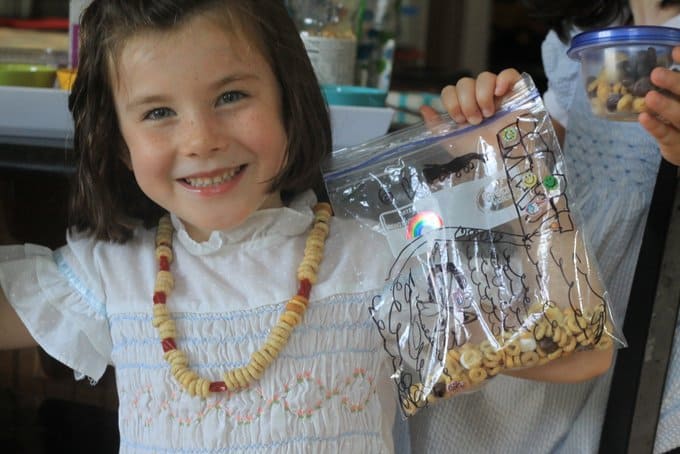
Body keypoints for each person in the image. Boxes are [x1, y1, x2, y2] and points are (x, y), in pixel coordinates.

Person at [0, 0, 613, 452]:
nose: (200, 139)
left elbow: (579, 355)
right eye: (158, 112)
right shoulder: (112, 271)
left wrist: (509, 159)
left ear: (289, 99)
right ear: (117, 139)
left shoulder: (375, 259)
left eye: (231, 96)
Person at [409, 1, 680, 453]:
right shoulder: (587, 31)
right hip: (573, 280)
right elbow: (537, 164)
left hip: (655, 305)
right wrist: (495, 123)